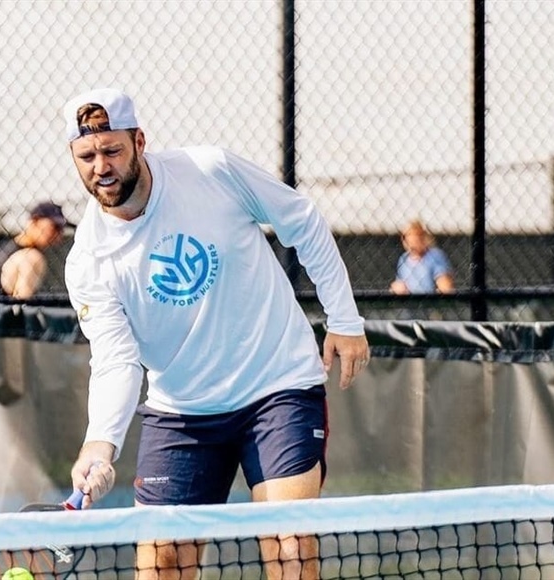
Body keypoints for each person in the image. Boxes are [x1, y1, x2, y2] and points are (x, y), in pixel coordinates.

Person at [61, 87, 369, 579]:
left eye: (112, 150)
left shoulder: (209, 170)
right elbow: (117, 360)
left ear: (139, 141)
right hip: (181, 412)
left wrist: (345, 321)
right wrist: (100, 444)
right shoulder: (87, 261)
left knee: (290, 551)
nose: (101, 166)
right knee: (161, 564)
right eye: (87, 155)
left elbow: (300, 218)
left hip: (276, 387)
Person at [0, 202, 67, 300]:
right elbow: (21, 304)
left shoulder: (1, 250)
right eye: (54, 227)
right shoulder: (31, 257)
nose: (59, 235)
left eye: (61, 230)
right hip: (1, 314)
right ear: (34, 221)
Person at [390, 220, 455, 295]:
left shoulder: (434, 256)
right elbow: (399, 285)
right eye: (405, 237)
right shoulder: (403, 259)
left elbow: (445, 288)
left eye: (415, 236)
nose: (410, 241)